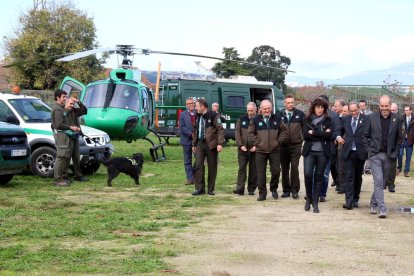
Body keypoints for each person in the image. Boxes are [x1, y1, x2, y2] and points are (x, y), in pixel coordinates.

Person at [365, 95, 402, 218]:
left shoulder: (397, 119)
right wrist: (369, 150)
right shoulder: (371, 118)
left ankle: (373, 203)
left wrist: (395, 152)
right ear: (379, 105)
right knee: (379, 181)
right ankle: (382, 208)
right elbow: (364, 136)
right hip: (375, 155)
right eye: (382, 106)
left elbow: (399, 138)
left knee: (382, 182)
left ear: (390, 106)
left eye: (386, 106)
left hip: (389, 155)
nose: (384, 108)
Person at [248, 100, 286, 201]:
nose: (267, 110)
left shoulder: (277, 118)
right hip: (260, 151)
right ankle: (262, 193)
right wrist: (257, 143)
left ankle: (274, 189)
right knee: (261, 173)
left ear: (271, 108)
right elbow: (251, 133)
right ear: (260, 109)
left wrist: (278, 142)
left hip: (275, 150)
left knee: (276, 171)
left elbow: (283, 131)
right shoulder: (256, 119)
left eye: (269, 108)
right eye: (265, 109)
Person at [302, 98, 333, 213]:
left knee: (319, 176)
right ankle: (308, 199)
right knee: (308, 174)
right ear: (313, 108)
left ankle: (315, 201)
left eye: (322, 107)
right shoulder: (307, 119)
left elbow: (329, 135)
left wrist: (314, 133)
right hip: (309, 151)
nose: (319, 109)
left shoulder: (328, 120)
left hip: (323, 153)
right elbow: (306, 135)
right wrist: (322, 134)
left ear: (324, 109)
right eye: (317, 107)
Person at [192, 98, 225, 196]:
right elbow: (195, 130)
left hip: (211, 144)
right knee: (198, 166)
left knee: (212, 167)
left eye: (197, 106)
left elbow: (220, 130)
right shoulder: (197, 116)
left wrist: (220, 143)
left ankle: (210, 189)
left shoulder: (213, 115)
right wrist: (194, 144)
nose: (196, 108)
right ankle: (200, 188)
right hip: (200, 143)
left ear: (202, 106)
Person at [339, 102, 368, 209]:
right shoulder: (345, 119)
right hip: (348, 151)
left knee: (357, 177)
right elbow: (339, 130)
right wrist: (338, 137)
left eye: (355, 110)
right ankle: (349, 202)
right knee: (349, 176)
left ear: (359, 109)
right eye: (351, 111)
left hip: (360, 152)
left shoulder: (366, 119)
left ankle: (355, 199)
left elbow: (369, 134)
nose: (353, 112)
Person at [51, 89, 80, 186]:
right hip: (61, 136)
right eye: (63, 97)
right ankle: (57, 179)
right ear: (57, 97)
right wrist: (71, 127)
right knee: (61, 156)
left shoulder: (61, 108)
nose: (65, 99)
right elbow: (59, 125)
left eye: (65, 97)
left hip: (66, 135)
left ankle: (63, 177)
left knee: (65, 157)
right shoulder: (57, 109)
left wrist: (66, 110)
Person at [280, 95, 305, 199]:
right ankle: (286, 190)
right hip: (283, 146)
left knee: (294, 168)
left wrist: (302, 139)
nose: (290, 104)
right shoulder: (279, 115)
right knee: (284, 168)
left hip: (296, 145)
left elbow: (305, 129)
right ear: (284, 104)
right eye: (288, 103)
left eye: (292, 102)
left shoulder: (300, 114)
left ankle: (295, 190)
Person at [233, 102, 257, 196]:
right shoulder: (241, 118)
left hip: (254, 148)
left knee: (253, 169)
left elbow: (261, 134)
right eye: (248, 110)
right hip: (242, 148)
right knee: (242, 168)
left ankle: (251, 189)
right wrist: (240, 145)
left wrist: (256, 145)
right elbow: (237, 132)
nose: (250, 112)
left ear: (255, 109)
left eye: (251, 110)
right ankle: (240, 188)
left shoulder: (259, 119)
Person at [66, 97, 89, 182]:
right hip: (67, 136)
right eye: (70, 104)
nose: (72, 105)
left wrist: (78, 102)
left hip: (75, 135)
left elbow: (84, 111)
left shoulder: (74, 111)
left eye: (73, 104)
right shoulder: (63, 111)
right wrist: (68, 108)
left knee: (76, 156)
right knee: (66, 157)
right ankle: (64, 176)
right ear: (66, 103)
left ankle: (78, 175)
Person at [179, 98, 196, 185]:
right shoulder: (182, 114)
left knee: (199, 159)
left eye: (192, 103)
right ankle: (190, 179)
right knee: (187, 161)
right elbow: (182, 127)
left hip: (197, 141)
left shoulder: (198, 113)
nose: (191, 105)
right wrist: (190, 134)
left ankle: (193, 174)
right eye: (189, 103)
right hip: (186, 140)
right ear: (186, 105)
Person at [385, 103, 401, 192]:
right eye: (391, 110)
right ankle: (383, 182)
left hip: (393, 148)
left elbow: (400, 136)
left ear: (397, 110)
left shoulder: (398, 119)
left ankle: (391, 184)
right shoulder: (383, 118)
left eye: (394, 110)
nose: (392, 112)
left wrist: (397, 150)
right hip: (383, 147)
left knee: (392, 167)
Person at [397, 105, 413, 177]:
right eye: (405, 110)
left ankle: (406, 171)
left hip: (410, 141)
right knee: (400, 154)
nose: (405, 112)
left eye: (407, 110)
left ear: (411, 111)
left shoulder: (413, 119)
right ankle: (399, 168)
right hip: (402, 140)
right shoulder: (401, 118)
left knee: (408, 156)